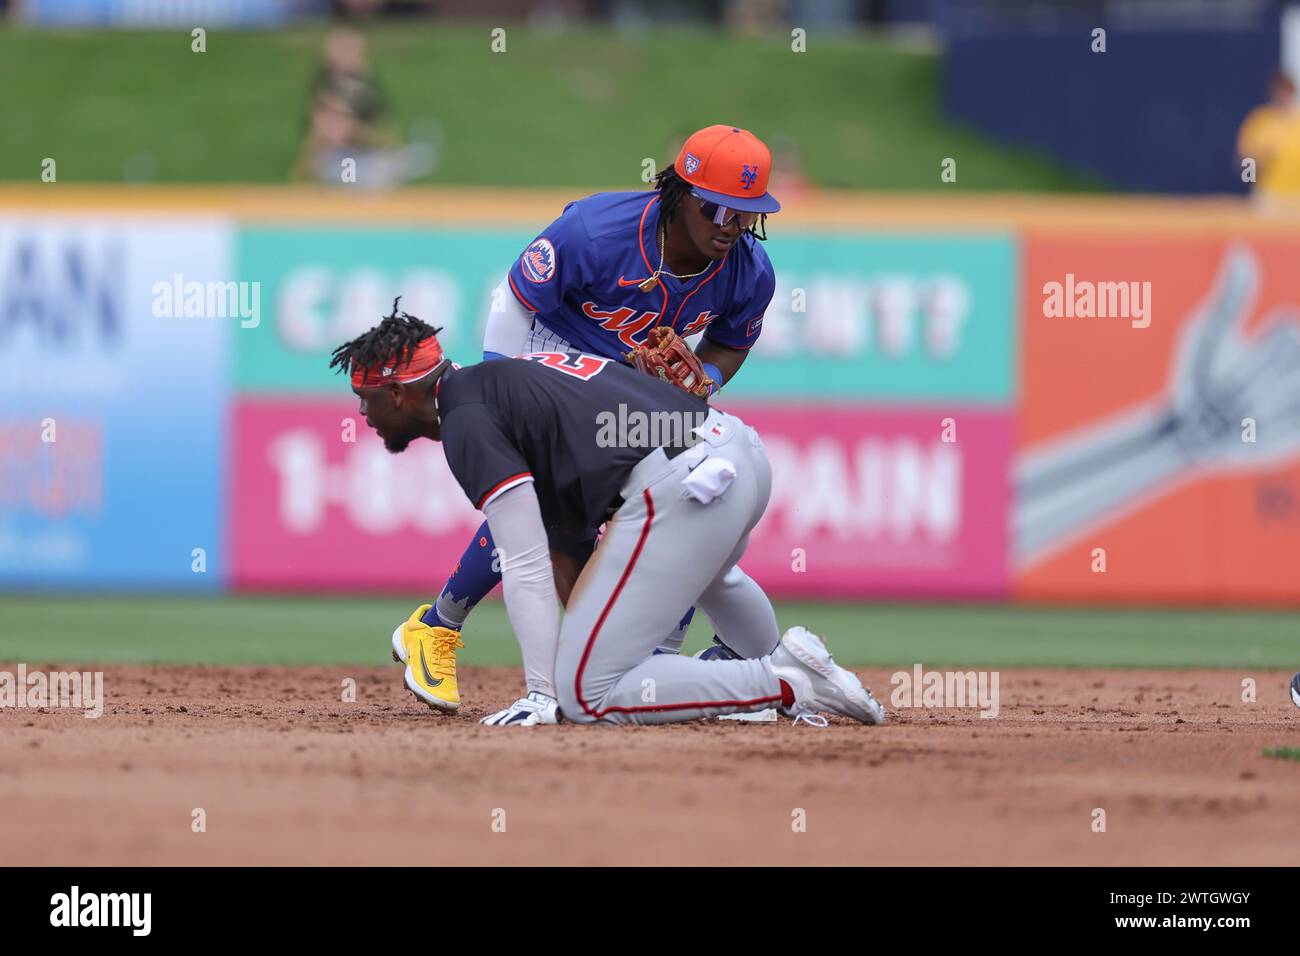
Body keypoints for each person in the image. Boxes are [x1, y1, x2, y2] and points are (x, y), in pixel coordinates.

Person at [329, 305, 886, 728]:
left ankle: (781, 680)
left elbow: (522, 563)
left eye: (366, 395)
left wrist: (543, 694)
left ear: (401, 394)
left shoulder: (467, 417)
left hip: (681, 484)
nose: (361, 411)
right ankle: (769, 669)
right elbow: (560, 546)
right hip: (738, 453)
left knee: (584, 694)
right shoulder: (505, 385)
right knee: (712, 576)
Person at [391, 125, 783, 712]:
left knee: (670, 507)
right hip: (550, 355)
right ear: (679, 190)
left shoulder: (749, 271)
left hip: (628, 391)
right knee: (540, 498)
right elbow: (516, 299)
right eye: (715, 206)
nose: (728, 224)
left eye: (744, 213)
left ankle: (654, 659)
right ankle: (439, 627)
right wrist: (501, 393)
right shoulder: (598, 229)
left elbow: (730, 343)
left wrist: (704, 383)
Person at [1237, 71, 1300, 213]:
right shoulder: (1261, 120)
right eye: (1280, 91)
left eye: (1287, 91)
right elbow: (1244, 162)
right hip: (1269, 196)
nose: (1283, 96)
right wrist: (1256, 161)